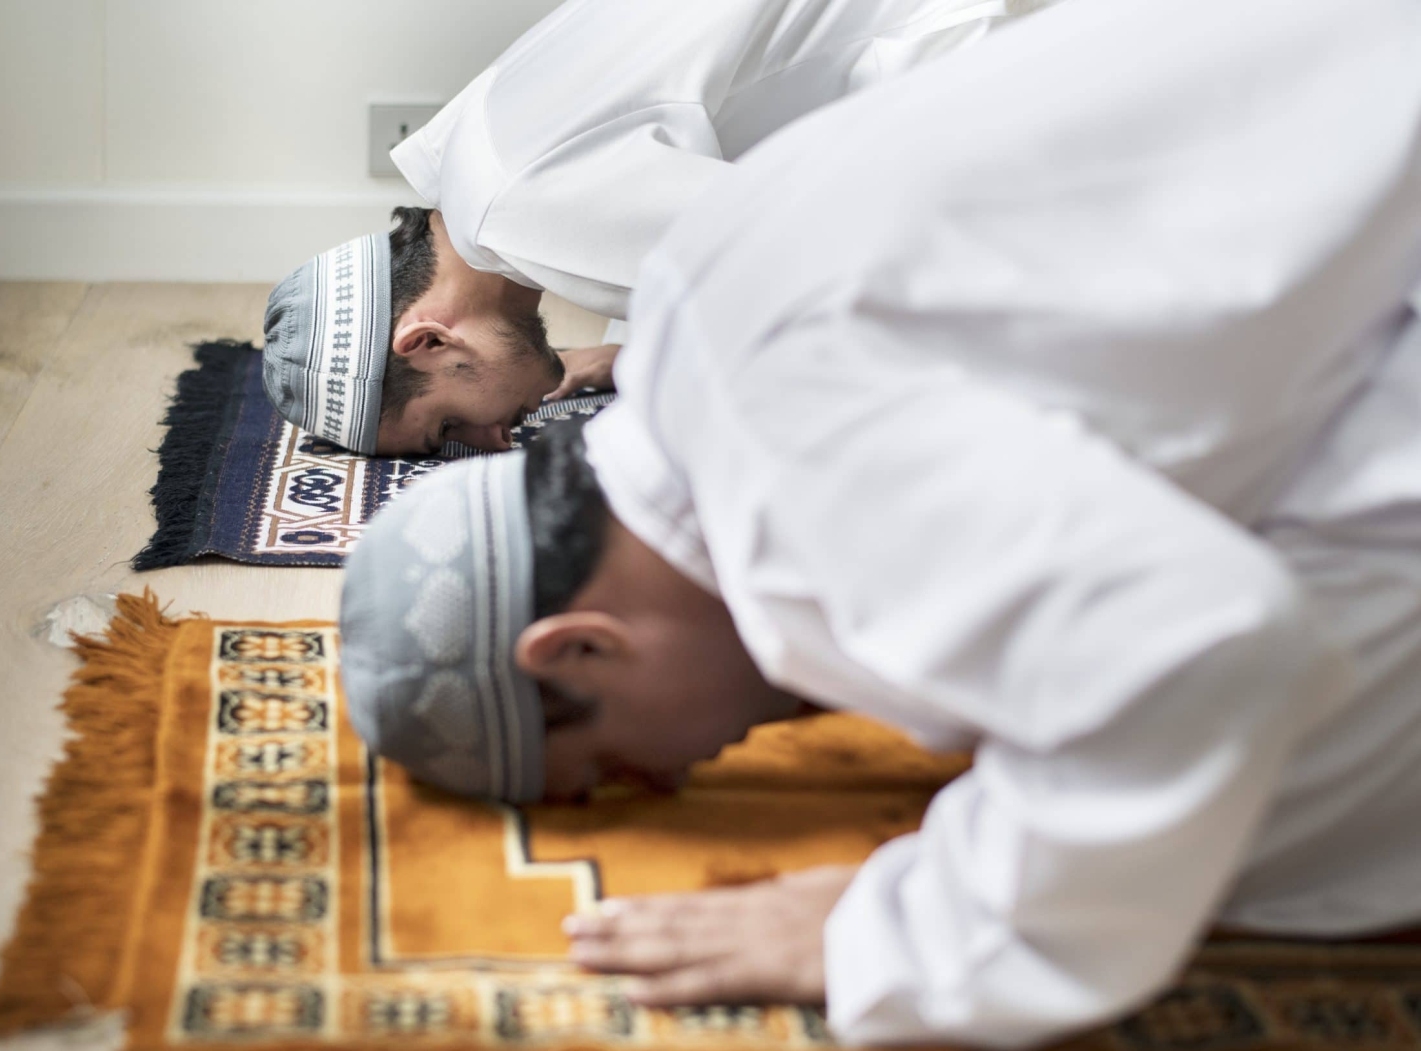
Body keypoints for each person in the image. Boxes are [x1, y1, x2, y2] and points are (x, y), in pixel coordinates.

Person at [336, 0, 1421, 1043]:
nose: (683, 777)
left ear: (578, 646)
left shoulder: (784, 477)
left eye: (623, 766)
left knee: (1258, 822)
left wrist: (911, 930)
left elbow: (1209, 648)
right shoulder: (689, 330)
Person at [261, 0, 1055, 456]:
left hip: (994, 46)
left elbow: (839, 277)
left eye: (447, 427)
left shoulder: (523, 211)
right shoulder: (474, 153)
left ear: (428, 340)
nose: (493, 436)